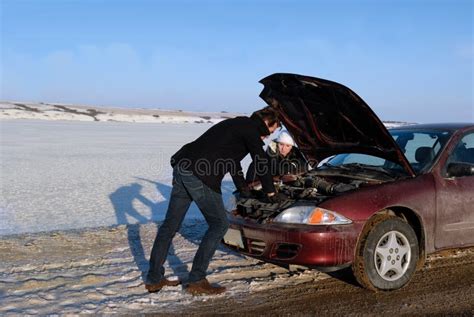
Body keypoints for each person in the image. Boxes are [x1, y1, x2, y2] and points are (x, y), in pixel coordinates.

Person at [145, 106, 285, 295]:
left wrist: (244, 189)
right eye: (274, 130)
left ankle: (154, 279)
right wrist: (270, 192)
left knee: (169, 226)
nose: (270, 135)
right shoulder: (251, 129)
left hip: (182, 167)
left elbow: (231, 162)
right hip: (199, 175)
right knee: (219, 224)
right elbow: (261, 161)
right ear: (269, 122)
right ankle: (196, 280)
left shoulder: (236, 124)